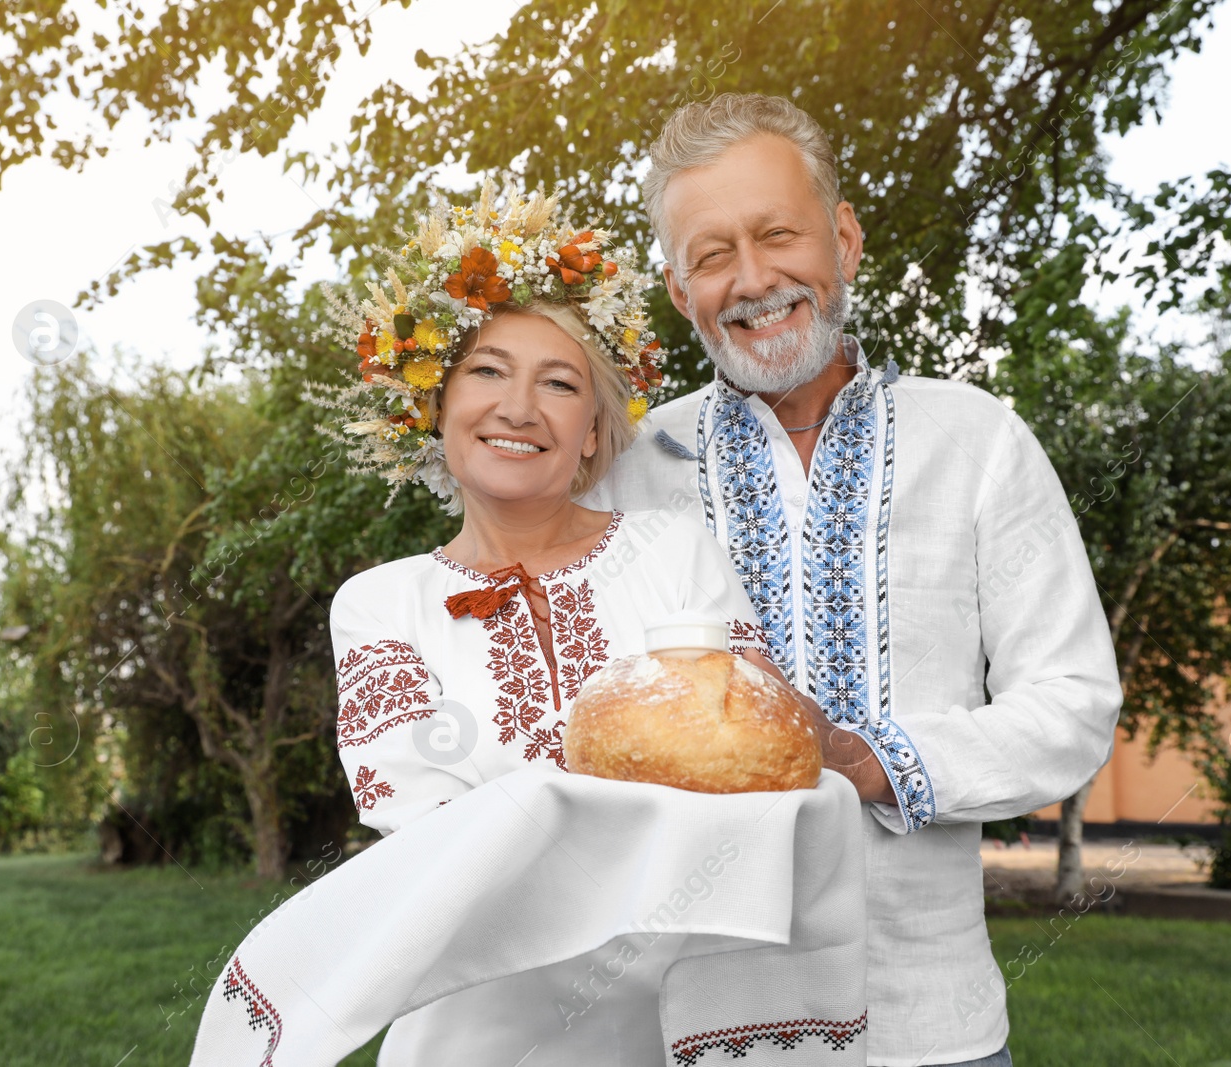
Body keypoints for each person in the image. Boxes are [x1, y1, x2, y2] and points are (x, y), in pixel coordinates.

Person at [584, 93, 1124, 1067]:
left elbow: (1073, 706)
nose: (751, 279)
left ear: (843, 238)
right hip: (691, 1031)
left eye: (777, 233)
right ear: (677, 289)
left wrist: (869, 758)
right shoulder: (628, 466)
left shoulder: (974, 440)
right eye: (711, 255)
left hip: (931, 1026)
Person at [320, 183, 881, 1062]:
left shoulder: (672, 552)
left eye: (559, 383)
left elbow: (761, 773)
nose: (518, 407)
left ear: (591, 432)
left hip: (678, 1026)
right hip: (469, 1034)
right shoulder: (376, 603)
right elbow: (428, 831)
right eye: (487, 371)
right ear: (434, 404)